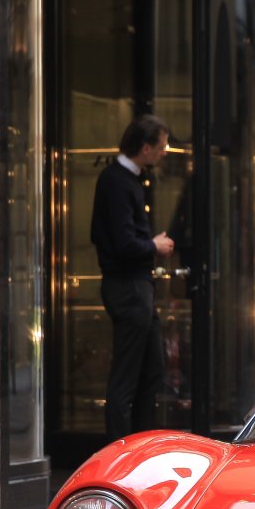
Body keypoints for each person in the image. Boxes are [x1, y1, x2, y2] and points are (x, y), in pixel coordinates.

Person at [92, 114, 175, 442]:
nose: (164, 152)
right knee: (126, 378)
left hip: (137, 287)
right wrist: (153, 246)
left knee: (151, 371)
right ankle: (120, 453)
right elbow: (122, 243)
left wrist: (150, 245)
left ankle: (141, 447)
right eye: (161, 146)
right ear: (145, 147)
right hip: (128, 288)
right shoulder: (116, 181)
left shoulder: (129, 180)